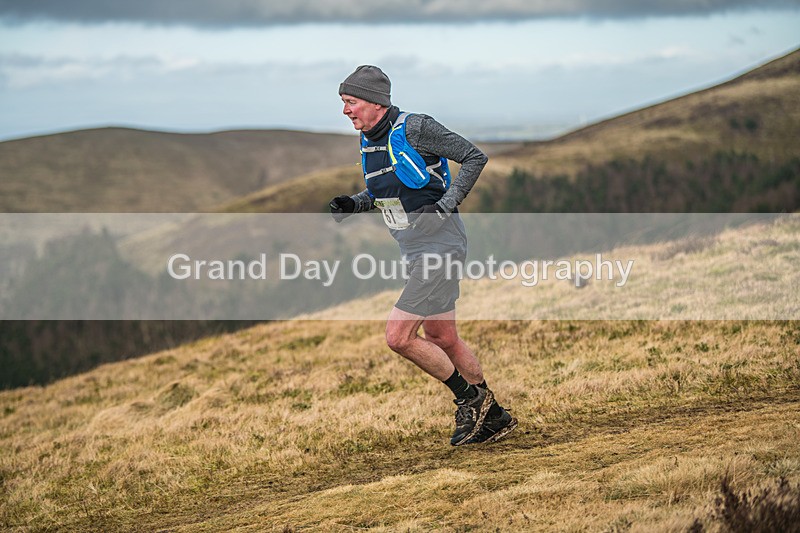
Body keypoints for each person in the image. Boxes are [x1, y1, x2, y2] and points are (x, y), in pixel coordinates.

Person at [329, 65, 517, 446]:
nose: (345, 111)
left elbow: (473, 157)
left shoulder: (416, 128)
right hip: (415, 249)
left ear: (375, 103)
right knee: (442, 335)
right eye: (344, 104)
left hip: (440, 244)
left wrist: (445, 208)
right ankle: (494, 416)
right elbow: (391, 193)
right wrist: (356, 203)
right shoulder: (370, 139)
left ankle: (471, 400)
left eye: (350, 102)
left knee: (398, 337)